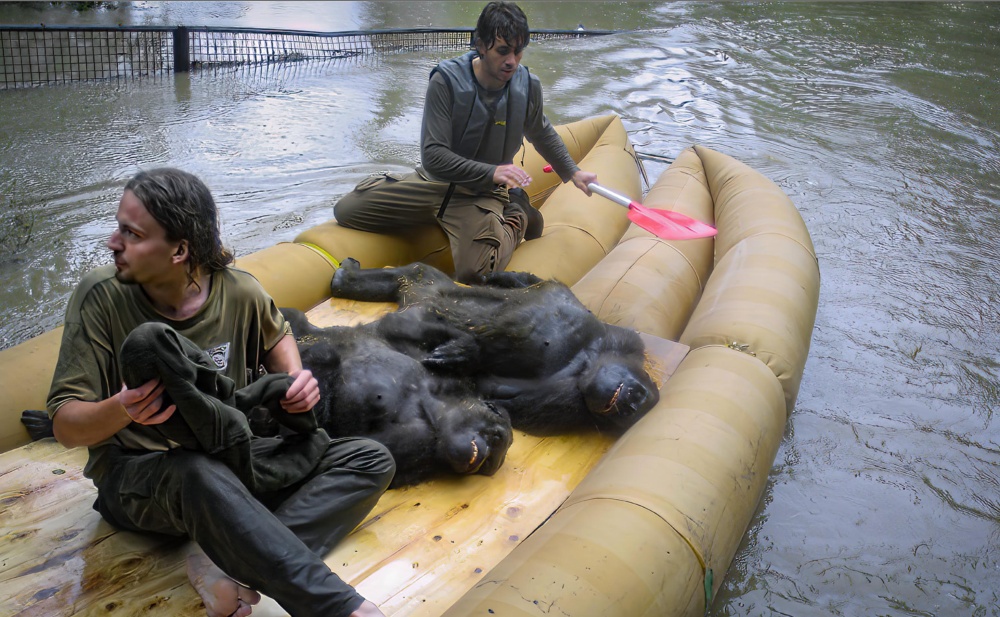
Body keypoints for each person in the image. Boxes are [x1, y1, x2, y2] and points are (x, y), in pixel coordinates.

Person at [46, 168, 395, 617]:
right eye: (119, 228)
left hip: (233, 459)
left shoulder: (239, 290)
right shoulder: (100, 296)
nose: (113, 242)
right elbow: (65, 427)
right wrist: (123, 409)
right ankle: (340, 607)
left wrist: (295, 382)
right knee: (195, 472)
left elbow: (278, 336)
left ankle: (223, 563)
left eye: (131, 234)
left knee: (369, 458)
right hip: (139, 480)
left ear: (179, 250)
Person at [334, 1, 598, 284]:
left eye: (518, 51)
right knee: (346, 211)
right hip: (432, 182)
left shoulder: (528, 87)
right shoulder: (445, 81)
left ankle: (518, 212)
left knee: (475, 273)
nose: (512, 60)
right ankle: (425, 212)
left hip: (480, 193)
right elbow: (432, 156)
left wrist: (572, 172)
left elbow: (541, 131)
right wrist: (491, 170)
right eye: (503, 51)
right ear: (481, 45)